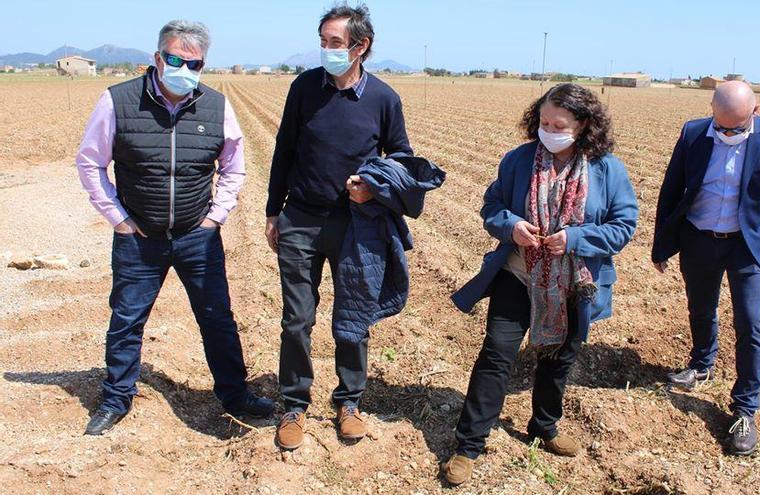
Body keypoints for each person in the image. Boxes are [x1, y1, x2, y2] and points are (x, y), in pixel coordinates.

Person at [75, 20, 274, 435]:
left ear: (203, 65)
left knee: (217, 318)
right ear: (157, 58)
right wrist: (120, 219)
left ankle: (235, 396)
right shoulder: (118, 101)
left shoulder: (217, 106)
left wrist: (214, 218)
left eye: (193, 63)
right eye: (175, 59)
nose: (183, 68)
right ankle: (116, 399)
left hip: (195, 238)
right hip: (139, 240)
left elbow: (234, 168)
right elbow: (91, 163)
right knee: (127, 319)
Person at [444, 83, 638, 486]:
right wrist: (512, 226)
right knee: (496, 355)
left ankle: (544, 426)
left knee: (558, 359)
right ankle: (468, 445)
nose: (549, 130)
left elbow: (624, 226)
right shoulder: (517, 161)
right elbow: (492, 207)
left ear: (583, 125)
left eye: (559, 124)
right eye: (544, 121)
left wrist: (576, 239)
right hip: (519, 274)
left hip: (574, 283)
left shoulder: (607, 169)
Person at [265, 3, 413, 450]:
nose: (327, 49)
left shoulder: (383, 98)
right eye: (323, 41)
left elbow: (402, 158)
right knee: (297, 319)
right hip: (301, 221)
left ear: (360, 46)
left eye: (335, 43)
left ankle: (349, 402)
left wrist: (373, 188)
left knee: (353, 319)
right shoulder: (304, 88)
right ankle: (294, 404)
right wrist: (274, 211)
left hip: (357, 226)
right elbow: (284, 150)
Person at [651, 81, 760, 455]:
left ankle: (745, 410)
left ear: (755, 111)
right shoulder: (693, 132)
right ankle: (702, 364)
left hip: (748, 246)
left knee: (751, 322)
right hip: (699, 239)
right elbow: (671, 190)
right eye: (721, 126)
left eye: (735, 128)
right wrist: (662, 245)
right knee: (700, 308)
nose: (727, 133)